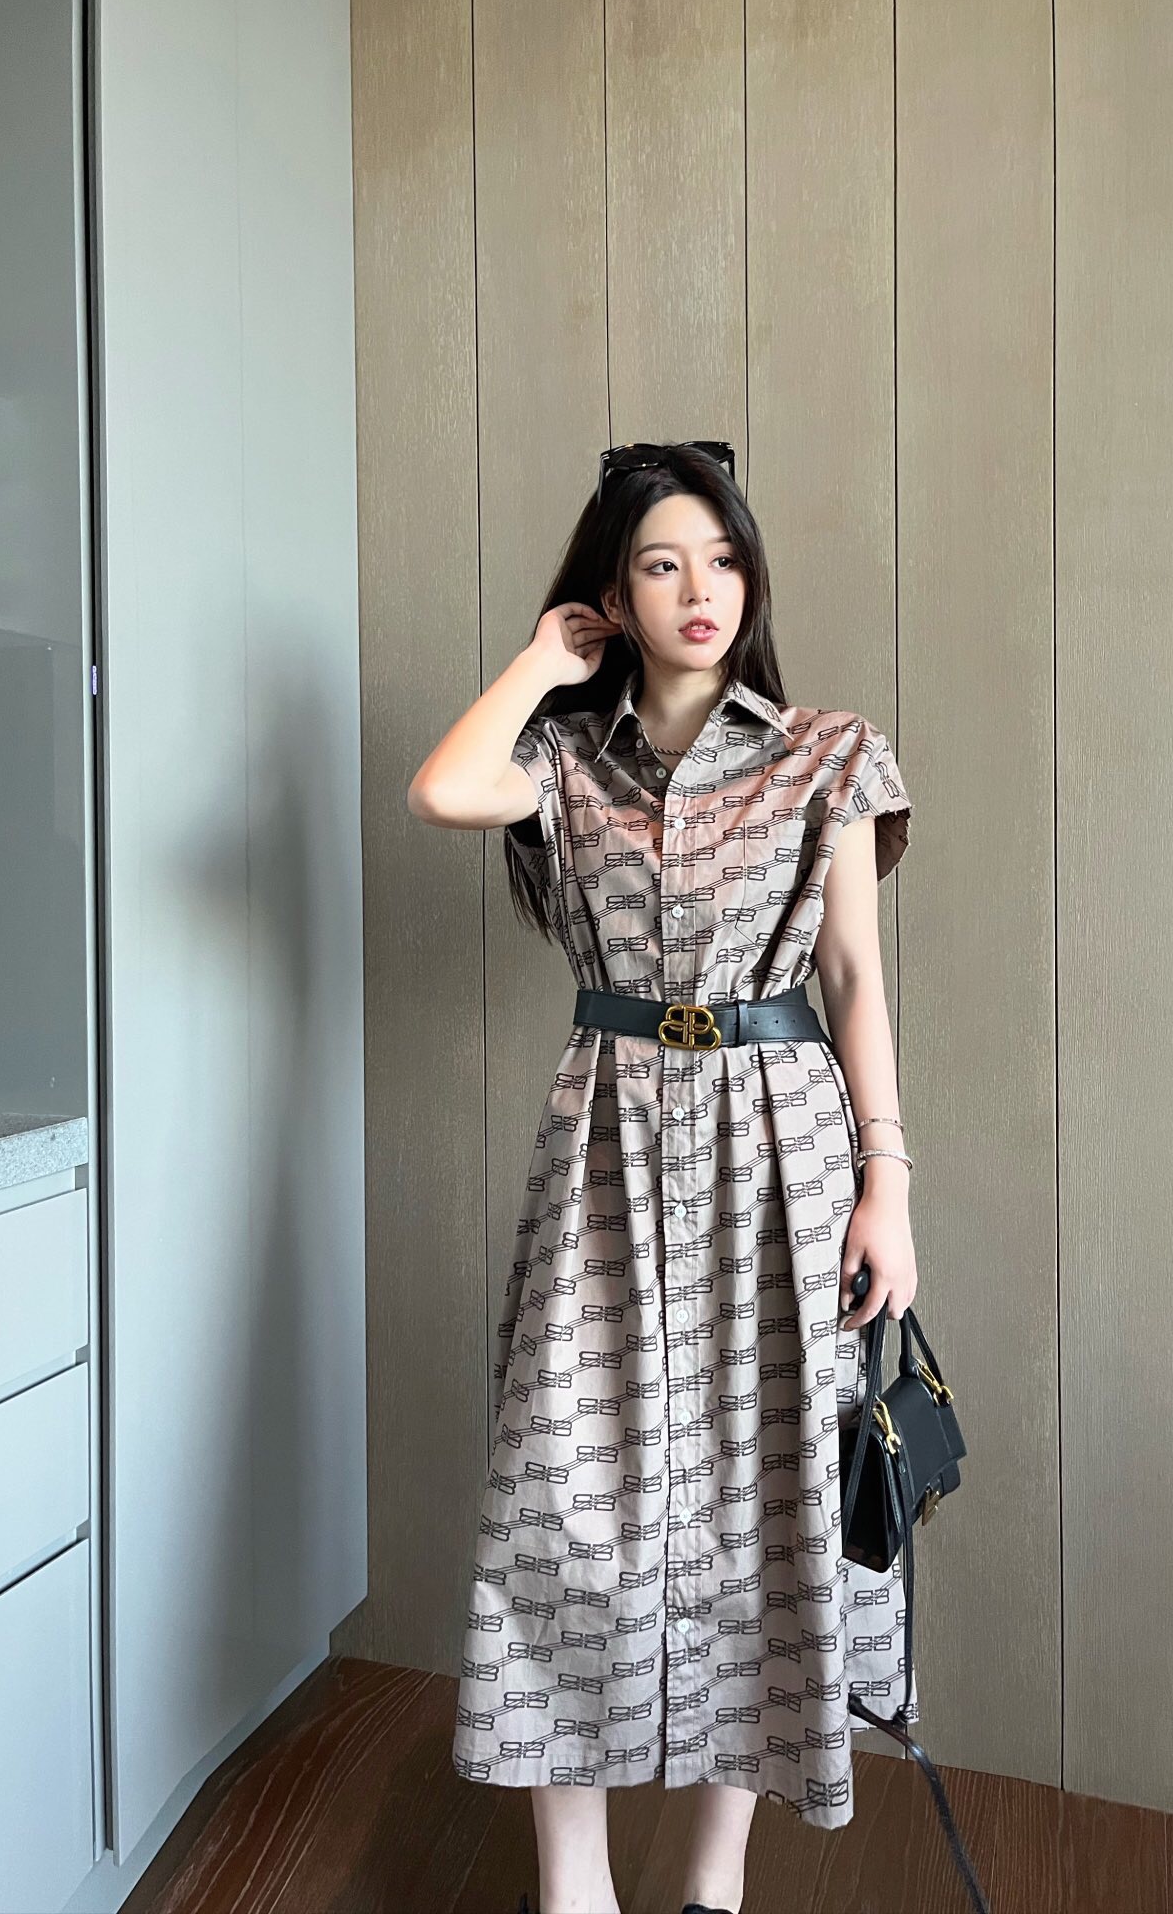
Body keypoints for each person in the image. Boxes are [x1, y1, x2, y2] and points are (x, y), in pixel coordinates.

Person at [408, 440, 918, 1914]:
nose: (702, 589)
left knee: (764, 1507)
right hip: (608, 1137)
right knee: (563, 1501)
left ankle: (713, 1880)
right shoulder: (563, 761)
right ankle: (572, 1888)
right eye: (660, 564)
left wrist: (886, 1184)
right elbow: (442, 790)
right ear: (614, 596)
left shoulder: (829, 751)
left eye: (723, 559)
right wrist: (542, 659)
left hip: (783, 1141)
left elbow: (851, 977)